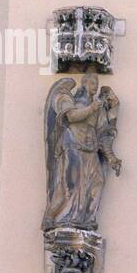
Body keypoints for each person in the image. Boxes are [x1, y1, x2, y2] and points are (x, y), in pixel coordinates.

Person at [42, 72, 121, 232]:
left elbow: (102, 136)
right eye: (92, 82)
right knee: (68, 187)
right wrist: (91, 108)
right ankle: (50, 218)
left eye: (96, 83)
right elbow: (71, 117)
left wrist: (111, 158)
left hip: (90, 150)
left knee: (98, 181)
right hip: (72, 146)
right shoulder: (70, 100)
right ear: (84, 84)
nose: (96, 86)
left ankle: (87, 219)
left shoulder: (97, 109)